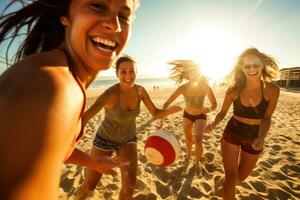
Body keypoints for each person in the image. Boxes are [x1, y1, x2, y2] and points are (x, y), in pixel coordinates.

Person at [0, 0, 140, 199]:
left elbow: (58, 147)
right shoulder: (50, 86)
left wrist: (92, 162)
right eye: (98, 5)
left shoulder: (65, 76)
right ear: (65, 15)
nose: (115, 25)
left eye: (124, 16)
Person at [76, 55, 182, 200]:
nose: (128, 76)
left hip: (128, 140)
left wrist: (171, 110)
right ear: (117, 74)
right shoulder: (110, 94)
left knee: (130, 185)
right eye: (123, 72)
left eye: (131, 71)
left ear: (136, 72)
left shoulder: (141, 91)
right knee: (90, 184)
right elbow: (86, 117)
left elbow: (155, 113)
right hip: (104, 139)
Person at [204, 48, 280, 199]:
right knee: (232, 178)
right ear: (242, 68)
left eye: (255, 64)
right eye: (247, 65)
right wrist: (214, 123)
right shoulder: (234, 90)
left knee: (241, 178)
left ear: (262, 65)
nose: (252, 69)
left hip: (254, 137)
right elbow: (223, 112)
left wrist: (261, 137)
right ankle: (227, 185)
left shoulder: (272, 90)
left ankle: (223, 183)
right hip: (232, 133)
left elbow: (266, 118)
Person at [161, 60, 217, 171]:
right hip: (187, 115)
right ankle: (188, 154)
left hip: (201, 115)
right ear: (188, 75)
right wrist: (162, 119)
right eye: (192, 73)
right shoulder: (183, 88)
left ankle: (197, 161)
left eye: (197, 73)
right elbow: (167, 103)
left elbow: (215, 104)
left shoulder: (206, 87)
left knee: (198, 139)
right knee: (188, 138)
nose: (195, 76)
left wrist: (208, 109)